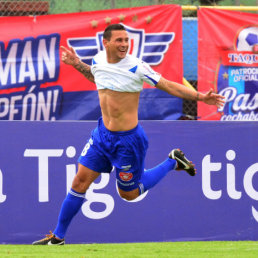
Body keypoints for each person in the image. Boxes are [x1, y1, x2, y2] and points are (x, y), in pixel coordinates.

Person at [32, 24, 225, 245]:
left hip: (128, 141)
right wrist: (77, 64)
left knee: (129, 194)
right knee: (79, 182)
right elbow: (97, 77)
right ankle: (58, 237)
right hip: (102, 136)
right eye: (119, 40)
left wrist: (200, 96)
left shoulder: (136, 66)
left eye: (126, 40)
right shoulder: (98, 60)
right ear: (106, 43)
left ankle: (172, 162)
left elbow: (168, 85)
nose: (124, 44)